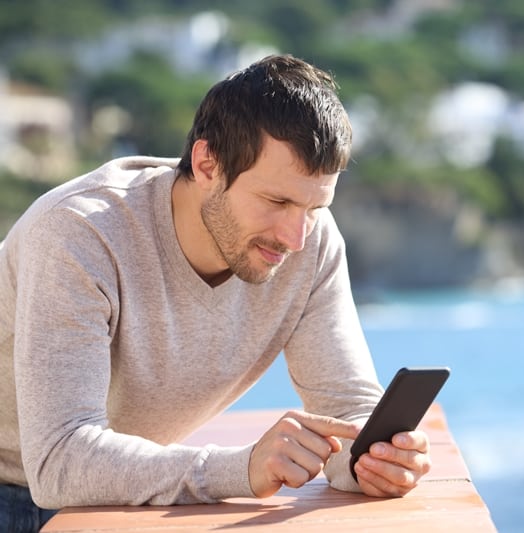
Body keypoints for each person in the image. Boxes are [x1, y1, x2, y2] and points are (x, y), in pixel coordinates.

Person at [0, 54, 432, 532]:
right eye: (276, 201)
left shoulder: (312, 242)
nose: (295, 237)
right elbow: (60, 458)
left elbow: (347, 408)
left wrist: (370, 462)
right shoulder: (78, 234)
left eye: (315, 206)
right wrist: (242, 468)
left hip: (108, 494)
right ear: (207, 164)